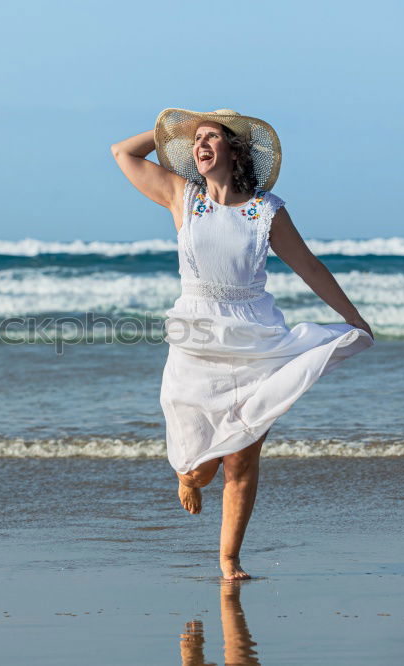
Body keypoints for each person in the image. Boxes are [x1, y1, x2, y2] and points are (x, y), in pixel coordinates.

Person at [110, 108, 375, 581]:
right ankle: (187, 476)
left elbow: (308, 266)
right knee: (200, 469)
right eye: (195, 140)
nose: (200, 145)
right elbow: (122, 153)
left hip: (256, 339)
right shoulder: (182, 196)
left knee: (244, 454)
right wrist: (168, 132)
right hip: (197, 339)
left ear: (235, 150)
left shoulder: (265, 211)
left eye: (211, 137)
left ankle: (229, 561)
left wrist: (351, 316)